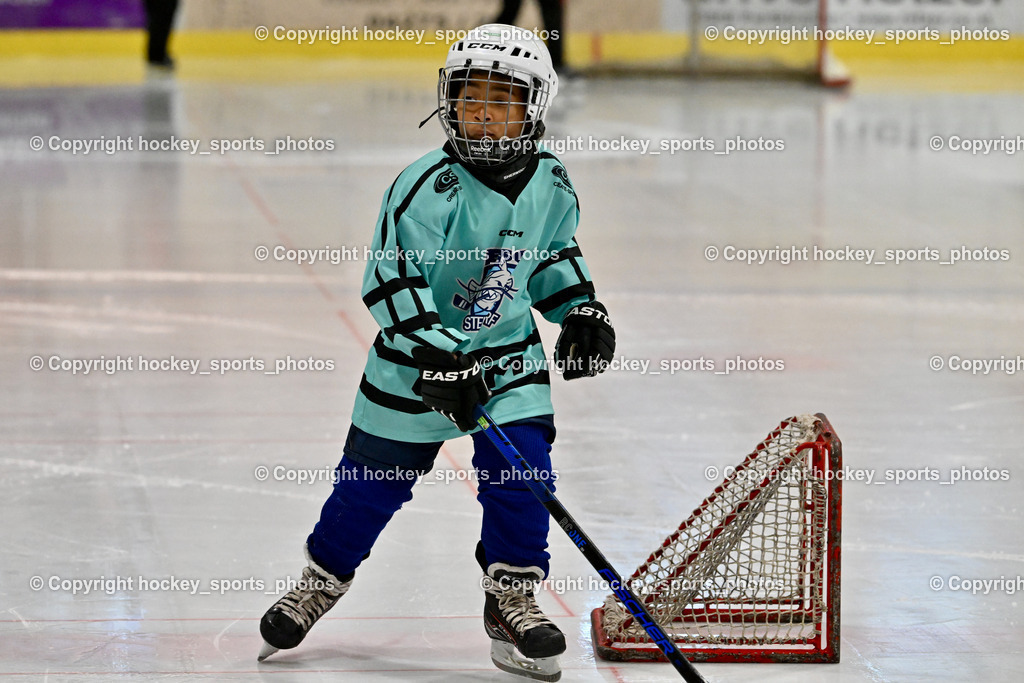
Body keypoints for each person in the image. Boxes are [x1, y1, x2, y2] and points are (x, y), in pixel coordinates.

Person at [257, 24, 615, 682]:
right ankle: (322, 578)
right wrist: (440, 355)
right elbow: (391, 282)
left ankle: (511, 596)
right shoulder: (425, 187)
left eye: (500, 101)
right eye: (470, 98)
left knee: (522, 476)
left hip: (507, 362)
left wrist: (580, 309)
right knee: (367, 490)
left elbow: (552, 255)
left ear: (533, 107)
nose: (481, 113)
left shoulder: (552, 180)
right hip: (412, 368)